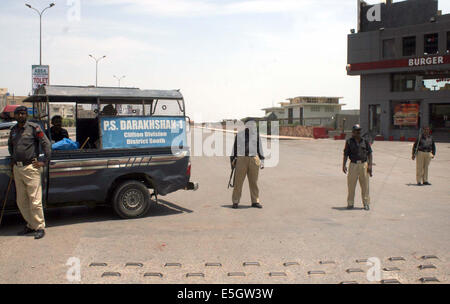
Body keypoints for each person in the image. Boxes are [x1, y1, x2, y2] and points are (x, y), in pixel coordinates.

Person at [8, 106, 51, 239]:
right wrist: (13, 158)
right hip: (17, 168)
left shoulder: (34, 128)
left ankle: (39, 227)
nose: (21, 115)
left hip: (31, 168)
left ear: (26, 115)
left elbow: (46, 144)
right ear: (15, 116)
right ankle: (31, 225)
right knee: (21, 201)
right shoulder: (13, 130)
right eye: (19, 114)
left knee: (35, 200)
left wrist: (43, 161)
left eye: (23, 113)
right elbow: (11, 146)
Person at [230, 119, 265, 209]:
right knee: (238, 182)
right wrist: (232, 161)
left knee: (254, 182)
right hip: (241, 159)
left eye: (253, 125)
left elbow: (260, 148)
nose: (253, 126)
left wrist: (262, 161)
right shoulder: (239, 135)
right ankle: (235, 201)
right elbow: (234, 149)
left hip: (254, 159)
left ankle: (255, 202)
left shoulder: (256, 135)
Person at [342, 124, 373, 211]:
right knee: (351, 185)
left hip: (363, 165)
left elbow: (370, 153)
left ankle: (366, 203)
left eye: (359, 131)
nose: (358, 132)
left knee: (365, 186)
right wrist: (343, 165)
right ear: (353, 132)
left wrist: (370, 165)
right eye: (356, 131)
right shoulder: (349, 142)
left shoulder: (365, 141)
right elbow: (345, 154)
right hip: (353, 165)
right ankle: (350, 203)